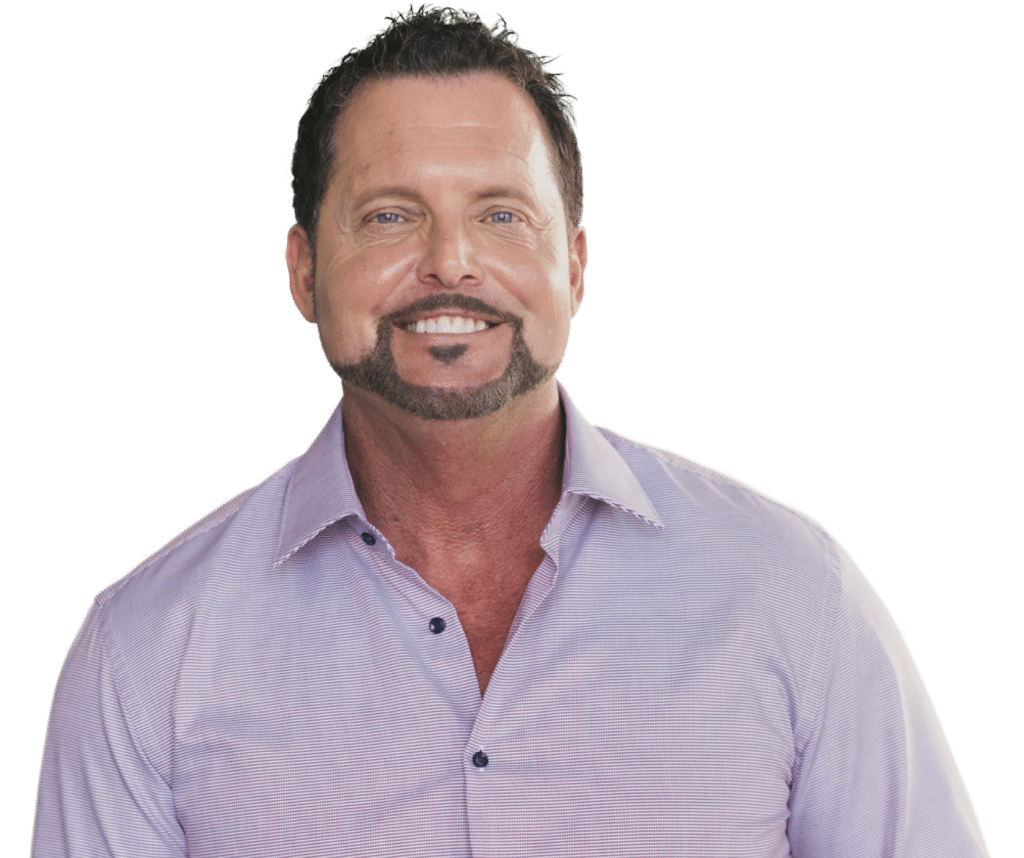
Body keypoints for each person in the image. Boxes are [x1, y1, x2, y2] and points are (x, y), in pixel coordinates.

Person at [32, 6, 990, 856]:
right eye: (388, 216)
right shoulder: (146, 652)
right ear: (304, 271)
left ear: (573, 268)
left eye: (501, 214)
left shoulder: (792, 595)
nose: (450, 262)